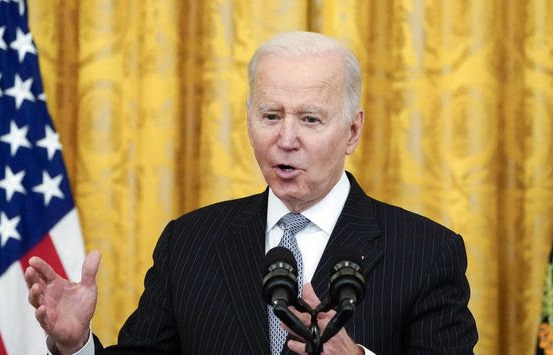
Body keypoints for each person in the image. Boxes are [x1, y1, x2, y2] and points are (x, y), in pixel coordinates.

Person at [25, 31, 478, 355]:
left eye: (310, 119)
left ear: (353, 131)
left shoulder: (426, 251)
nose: (286, 138)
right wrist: (77, 345)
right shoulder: (190, 242)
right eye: (270, 115)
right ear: (248, 122)